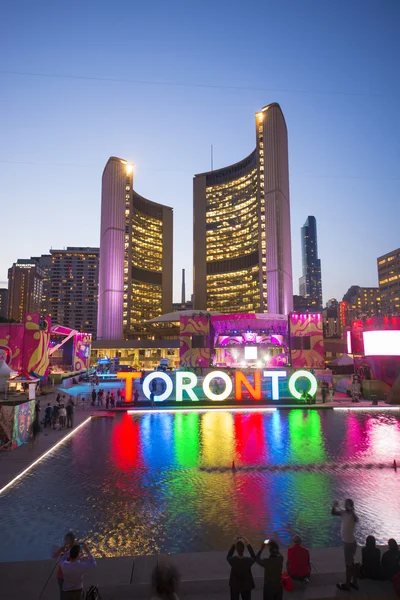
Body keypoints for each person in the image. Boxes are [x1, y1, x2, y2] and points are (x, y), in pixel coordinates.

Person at [331, 498, 359, 590]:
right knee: (352, 562)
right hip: (348, 542)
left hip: (349, 543)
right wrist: (334, 505)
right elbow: (333, 513)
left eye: (347, 504)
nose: (344, 505)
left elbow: (356, 519)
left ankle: (347, 584)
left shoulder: (352, 515)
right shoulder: (343, 513)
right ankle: (354, 582)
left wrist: (351, 509)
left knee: (348, 564)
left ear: (350, 506)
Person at [52, 531, 76, 599]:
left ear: (72, 541)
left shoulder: (74, 549)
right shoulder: (62, 549)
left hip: (71, 576)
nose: (67, 542)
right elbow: (54, 555)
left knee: (71, 595)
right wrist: (60, 550)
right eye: (66, 540)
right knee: (62, 595)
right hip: (61, 575)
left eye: (69, 540)